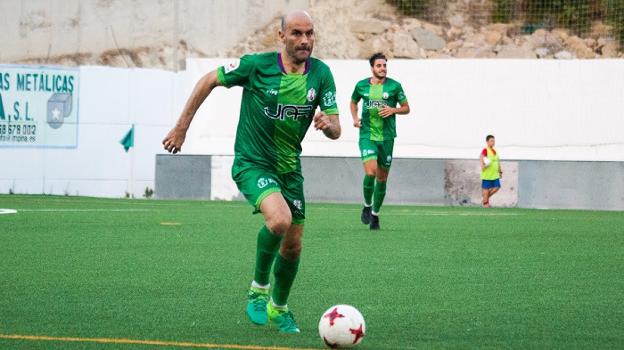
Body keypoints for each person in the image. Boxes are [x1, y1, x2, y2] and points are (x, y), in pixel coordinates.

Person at [162, 10, 340, 334]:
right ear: (281, 36)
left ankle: (279, 308)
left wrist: (329, 126)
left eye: (310, 34)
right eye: (297, 33)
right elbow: (209, 80)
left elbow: (337, 127)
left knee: (294, 245)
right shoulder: (257, 66)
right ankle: (258, 290)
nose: (305, 41)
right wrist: (181, 128)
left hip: (290, 168)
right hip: (252, 162)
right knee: (280, 220)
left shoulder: (322, 74)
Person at [350, 53, 410, 230]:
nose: (383, 68)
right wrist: (355, 118)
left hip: (387, 137)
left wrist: (393, 110)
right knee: (371, 172)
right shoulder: (361, 85)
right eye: (379, 66)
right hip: (367, 135)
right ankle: (367, 205)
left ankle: (375, 215)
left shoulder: (394, 86)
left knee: (382, 179)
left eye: (384, 65)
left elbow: (407, 108)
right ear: (372, 68)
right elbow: (353, 102)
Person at [480, 135, 502, 208]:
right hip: (487, 173)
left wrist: (500, 171)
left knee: (497, 187)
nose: (493, 142)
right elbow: (481, 157)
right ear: (487, 142)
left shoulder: (495, 151)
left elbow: (497, 161)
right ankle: (486, 203)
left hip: (495, 173)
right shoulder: (485, 150)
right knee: (486, 188)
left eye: (494, 141)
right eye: (491, 141)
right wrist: (482, 166)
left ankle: (485, 199)